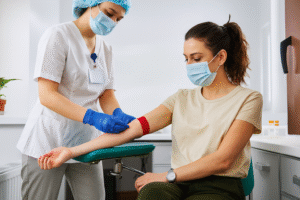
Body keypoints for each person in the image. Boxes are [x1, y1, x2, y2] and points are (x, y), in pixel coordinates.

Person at [38, 16, 263, 200]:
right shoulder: (181, 99)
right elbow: (132, 130)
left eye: (196, 58)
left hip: (219, 186)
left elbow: (223, 160)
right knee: (151, 193)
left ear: (220, 57)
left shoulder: (248, 99)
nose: (189, 66)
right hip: (181, 183)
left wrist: (167, 176)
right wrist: (70, 151)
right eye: (186, 59)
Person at [16, 0, 133, 199]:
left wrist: (117, 113)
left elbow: (106, 94)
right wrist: (93, 117)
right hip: (47, 140)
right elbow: (47, 95)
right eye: (109, 13)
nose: (112, 21)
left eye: (118, 19)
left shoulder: (105, 48)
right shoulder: (58, 35)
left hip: (84, 143)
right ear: (90, 4)